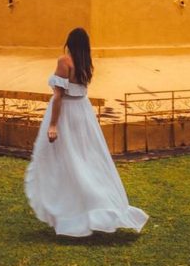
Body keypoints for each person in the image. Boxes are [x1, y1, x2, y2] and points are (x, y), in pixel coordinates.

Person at [24, 27, 148, 238]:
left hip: (67, 114)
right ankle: (91, 204)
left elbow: (58, 97)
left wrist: (53, 125)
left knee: (64, 161)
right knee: (85, 158)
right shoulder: (85, 64)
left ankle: (71, 208)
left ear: (69, 43)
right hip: (83, 114)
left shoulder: (65, 62)